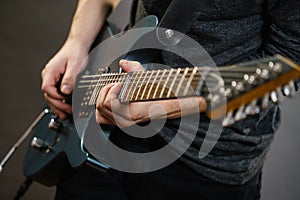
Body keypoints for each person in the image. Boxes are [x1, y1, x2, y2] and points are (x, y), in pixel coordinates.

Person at [41, 0, 300, 199]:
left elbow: (289, 59)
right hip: (102, 134)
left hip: (204, 163)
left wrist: (166, 106)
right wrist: (76, 43)